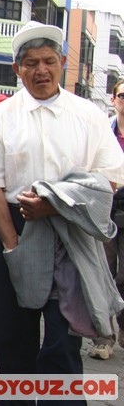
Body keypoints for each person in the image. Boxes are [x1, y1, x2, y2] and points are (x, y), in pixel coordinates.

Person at [0, 21, 124, 399]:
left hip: (72, 233)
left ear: (63, 63)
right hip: (13, 227)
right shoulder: (0, 118)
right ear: (18, 69)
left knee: (62, 344)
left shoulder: (88, 115)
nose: (42, 70)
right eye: (32, 63)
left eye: (50, 61)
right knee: (13, 342)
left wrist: (54, 206)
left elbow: (109, 180)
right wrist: (12, 248)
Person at [88, 79, 124, 359]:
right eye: (122, 95)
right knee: (101, 272)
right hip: (105, 210)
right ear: (114, 99)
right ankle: (104, 335)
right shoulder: (104, 132)